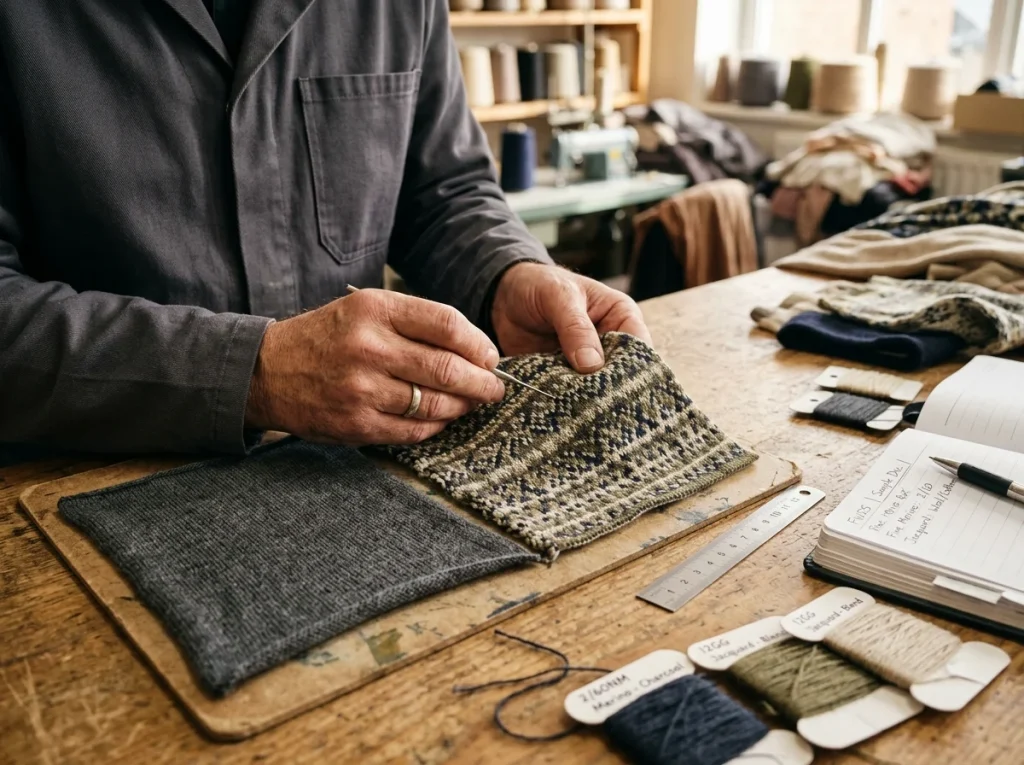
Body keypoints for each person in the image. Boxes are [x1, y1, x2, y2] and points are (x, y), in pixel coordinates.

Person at [0, 1, 650, 457]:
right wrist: (252, 374)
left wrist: (506, 273)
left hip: (353, 468)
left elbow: (444, 192)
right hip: (76, 483)